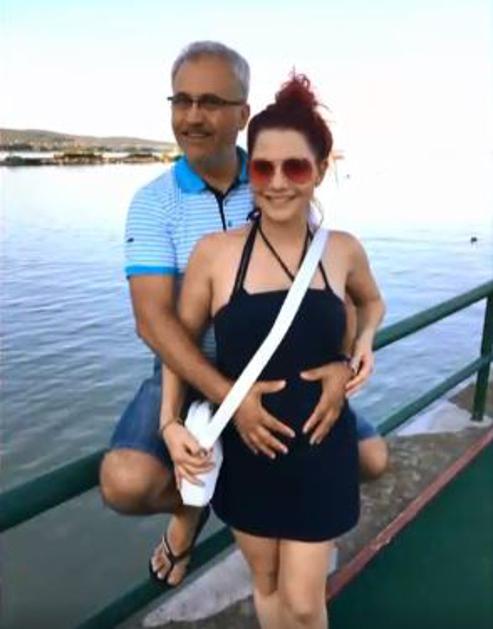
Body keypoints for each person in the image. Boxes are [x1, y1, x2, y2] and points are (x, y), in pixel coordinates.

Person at [99, 41, 388, 588]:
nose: (192, 116)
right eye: (181, 100)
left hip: (278, 369)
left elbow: (331, 286)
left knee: (371, 458)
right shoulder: (154, 203)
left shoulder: (273, 176)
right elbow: (154, 322)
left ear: (242, 114)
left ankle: (240, 489)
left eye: (210, 102)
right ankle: (196, 505)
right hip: (189, 367)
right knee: (126, 481)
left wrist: (342, 361)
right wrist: (229, 400)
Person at [161, 73, 385, 629]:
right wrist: (169, 423)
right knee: (264, 584)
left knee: (305, 602)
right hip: (247, 450)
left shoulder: (342, 250)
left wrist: (362, 344)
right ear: (250, 172)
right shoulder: (215, 254)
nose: (278, 183)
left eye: (296, 168)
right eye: (263, 168)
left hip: (322, 447)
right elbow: (179, 345)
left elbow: (372, 302)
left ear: (321, 170)